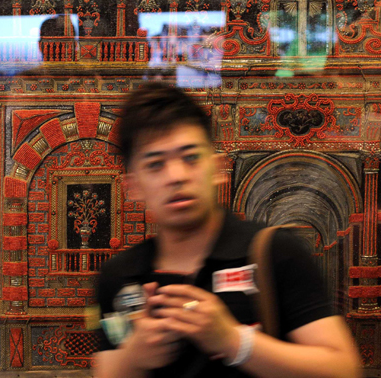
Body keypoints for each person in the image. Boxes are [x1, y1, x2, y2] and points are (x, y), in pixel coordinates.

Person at [93, 81, 361, 378]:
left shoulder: (274, 253)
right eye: (156, 164)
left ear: (217, 168)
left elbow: (342, 368)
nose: (177, 176)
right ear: (133, 186)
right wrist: (136, 356)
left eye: (190, 157)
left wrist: (234, 341)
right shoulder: (118, 275)